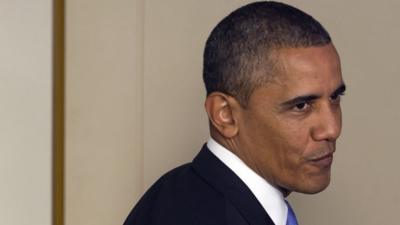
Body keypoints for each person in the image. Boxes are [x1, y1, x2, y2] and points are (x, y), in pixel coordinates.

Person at [124, 1, 346, 225]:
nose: (332, 129)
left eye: (335, 98)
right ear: (225, 115)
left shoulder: (179, 192)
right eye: (301, 106)